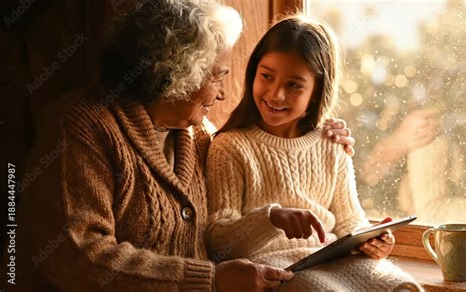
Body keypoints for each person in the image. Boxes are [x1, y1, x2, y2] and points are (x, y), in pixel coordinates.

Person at [9, 1, 356, 291]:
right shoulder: (83, 125)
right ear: (176, 75)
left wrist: (321, 135)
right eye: (218, 75)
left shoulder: (199, 134)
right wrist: (211, 280)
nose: (222, 92)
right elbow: (78, 257)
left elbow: (263, 166)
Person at [205, 14, 422, 291]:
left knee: (403, 286)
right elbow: (220, 242)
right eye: (266, 76)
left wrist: (372, 241)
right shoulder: (231, 147)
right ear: (253, 73)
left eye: (294, 85)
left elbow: (350, 221)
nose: (275, 94)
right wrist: (270, 219)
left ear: (317, 91)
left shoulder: (332, 144)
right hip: (272, 268)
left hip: (332, 259)